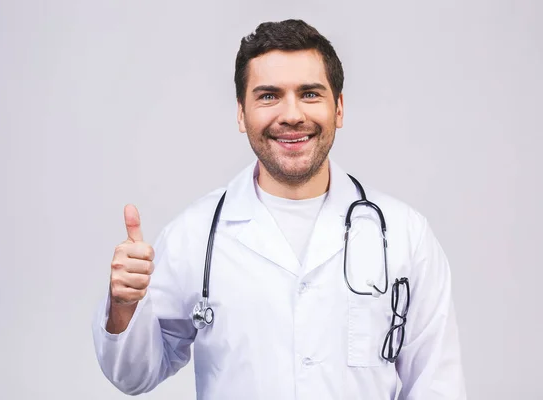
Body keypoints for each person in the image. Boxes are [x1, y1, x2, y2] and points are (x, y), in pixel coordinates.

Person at [91, 19, 466, 400]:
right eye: (268, 96)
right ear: (241, 113)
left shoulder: (405, 235)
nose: (291, 115)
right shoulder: (195, 234)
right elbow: (133, 376)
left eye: (310, 94)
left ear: (338, 108)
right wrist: (123, 306)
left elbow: (437, 387)